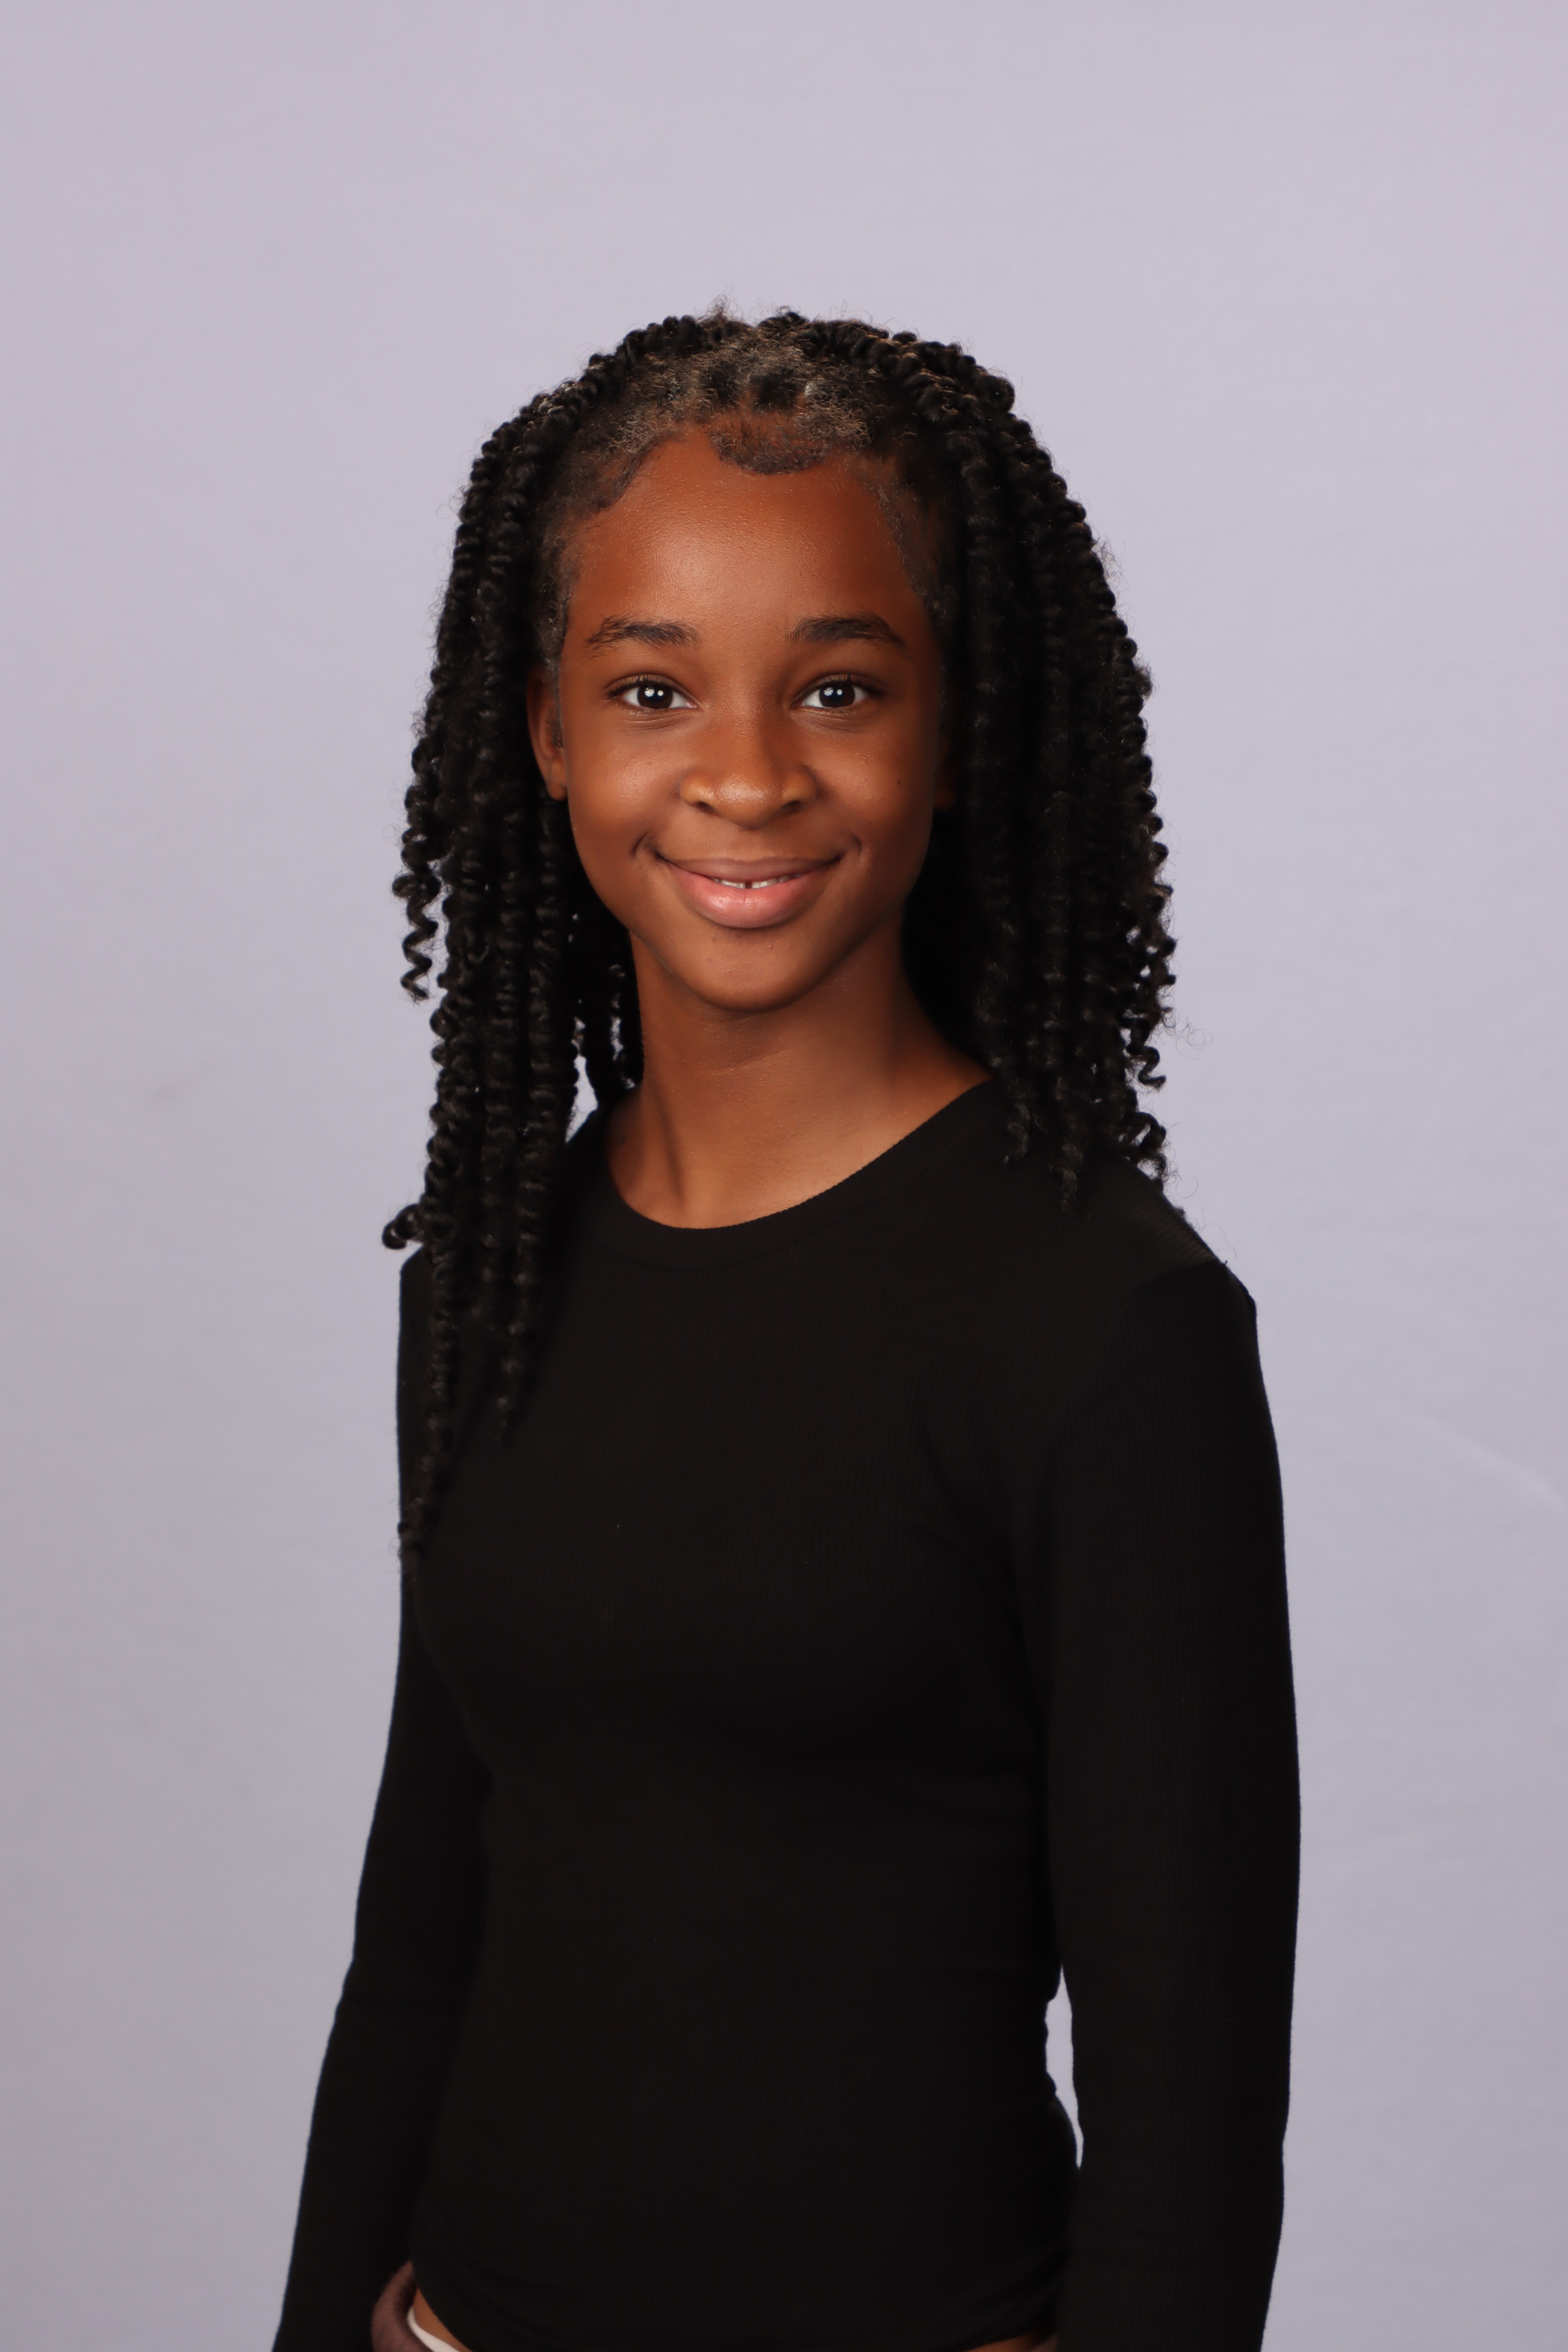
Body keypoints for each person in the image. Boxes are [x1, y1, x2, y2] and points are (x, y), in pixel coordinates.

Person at [271, 310, 1299, 2352]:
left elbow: (1186, 2114)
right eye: (651, 689)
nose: (743, 774)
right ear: (549, 734)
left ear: (955, 730)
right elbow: (422, 1938)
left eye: (838, 686)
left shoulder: (1107, 1327)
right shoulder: (487, 1281)